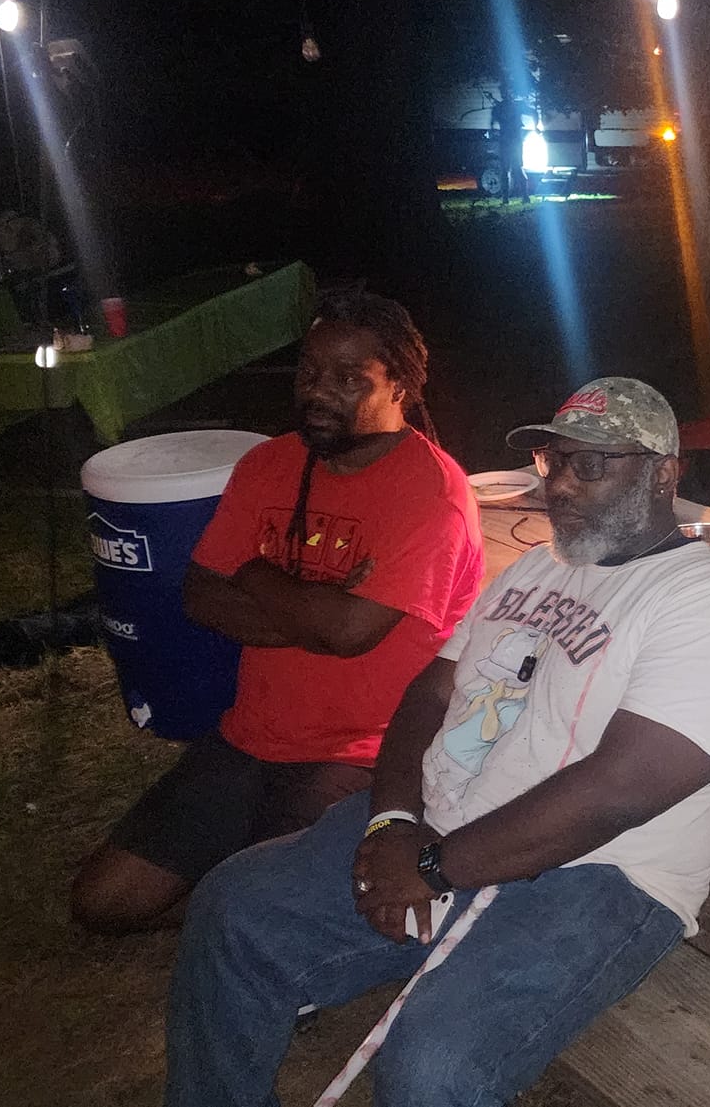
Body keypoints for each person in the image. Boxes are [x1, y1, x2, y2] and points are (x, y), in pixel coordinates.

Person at [166, 377, 710, 1107]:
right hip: (435, 826)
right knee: (234, 911)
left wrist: (434, 866)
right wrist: (394, 820)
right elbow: (429, 694)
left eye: (588, 465)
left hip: (597, 874)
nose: (558, 484)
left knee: (432, 1069)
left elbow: (622, 789)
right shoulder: (536, 566)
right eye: (551, 462)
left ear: (662, 472)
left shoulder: (708, 600)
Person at [69, 292, 484, 935]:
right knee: (100, 905)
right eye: (311, 373)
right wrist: (315, 608)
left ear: (399, 386)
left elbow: (349, 634)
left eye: (350, 379)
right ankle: (240, 904)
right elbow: (199, 597)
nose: (321, 393)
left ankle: (249, 909)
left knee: (259, 908)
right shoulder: (268, 464)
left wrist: (255, 571)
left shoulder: (433, 492)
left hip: (362, 754)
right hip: (249, 736)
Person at [489, 84, 531, 204]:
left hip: (512, 142)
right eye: (504, 92)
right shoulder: (504, 107)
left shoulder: (510, 106)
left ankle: (521, 197)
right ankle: (509, 198)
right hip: (508, 142)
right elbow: (492, 123)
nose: (505, 94)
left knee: (515, 168)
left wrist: (535, 126)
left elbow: (492, 124)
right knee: (507, 169)